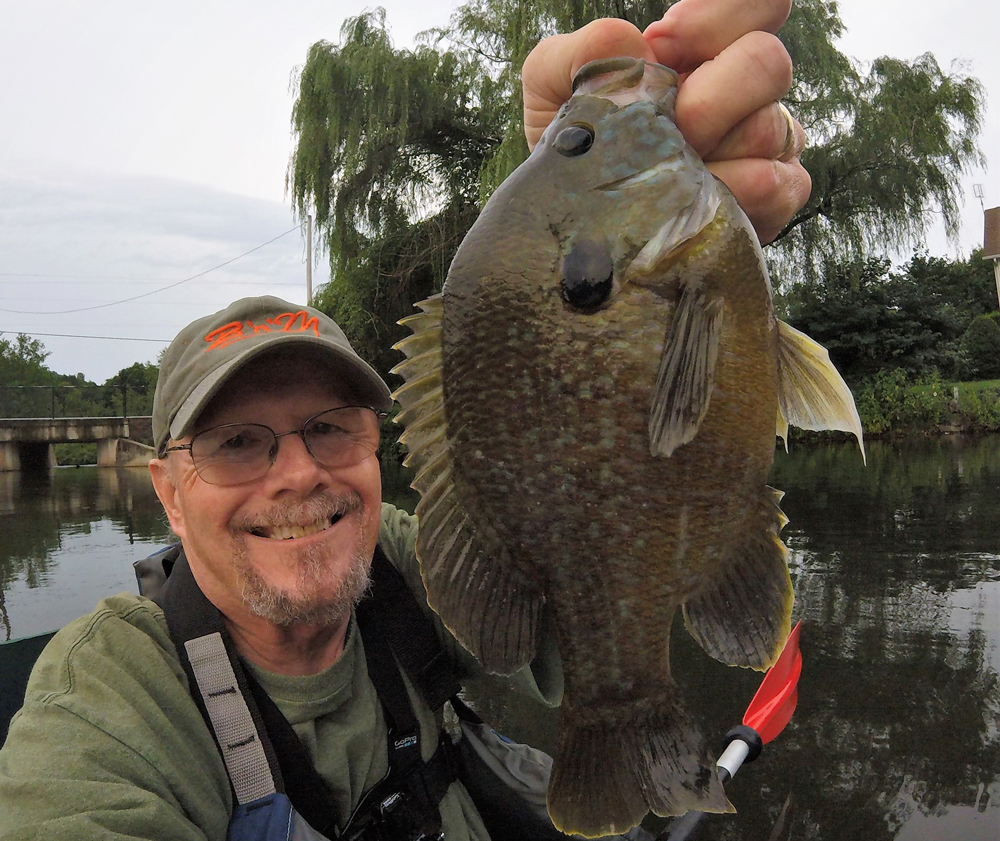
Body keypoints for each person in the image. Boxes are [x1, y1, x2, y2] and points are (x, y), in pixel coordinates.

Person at [0, 1, 809, 838]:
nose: (300, 472)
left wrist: (703, 288)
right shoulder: (106, 705)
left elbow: (588, 578)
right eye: (237, 442)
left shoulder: (392, 564)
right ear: (167, 490)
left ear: (374, 444)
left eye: (329, 426)